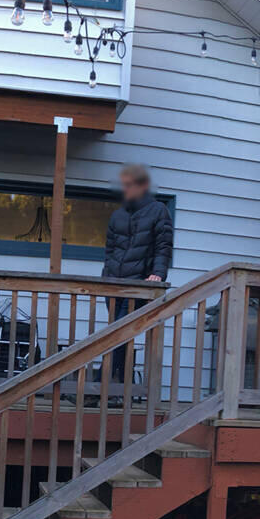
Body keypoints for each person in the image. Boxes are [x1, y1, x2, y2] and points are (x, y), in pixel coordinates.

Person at [101, 162, 173, 387]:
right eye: (124, 185)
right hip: (113, 285)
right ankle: (122, 388)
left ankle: (98, 384)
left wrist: (157, 274)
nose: (125, 189)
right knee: (121, 336)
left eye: (129, 185)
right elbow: (110, 251)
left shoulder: (158, 210)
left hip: (139, 285)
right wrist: (106, 278)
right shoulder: (117, 215)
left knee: (119, 333)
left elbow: (163, 246)